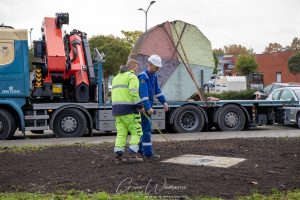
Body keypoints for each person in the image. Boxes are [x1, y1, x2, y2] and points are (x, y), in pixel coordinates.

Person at [111, 59, 145, 163]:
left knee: (121, 133)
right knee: (137, 132)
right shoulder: (132, 77)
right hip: (129, 111)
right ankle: (133, 155)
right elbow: (133, 93)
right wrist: (140, 106)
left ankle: (118, 156)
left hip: (117, 111)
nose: (137, 70)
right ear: (133, 66)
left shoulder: (116, 78)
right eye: (137, 68)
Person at [138, 54, 169, 160]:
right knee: (146, 130)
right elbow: (143, 94)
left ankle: (140, 150)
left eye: (158, 67)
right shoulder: (143, 76)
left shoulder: (154, 76)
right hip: (144, 107)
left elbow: (157, 91)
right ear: (150, 64)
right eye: (156, 67)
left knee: (144, 130)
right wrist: (148, 108)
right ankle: (148, 154)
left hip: (148, 106)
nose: (158, 69)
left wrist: (164, 102)